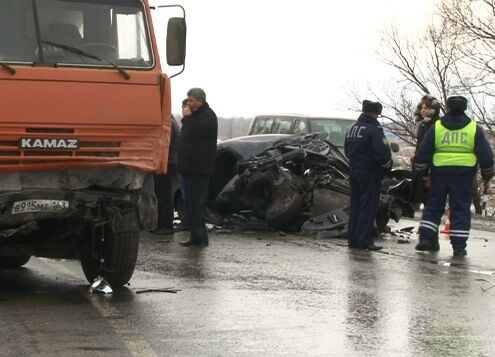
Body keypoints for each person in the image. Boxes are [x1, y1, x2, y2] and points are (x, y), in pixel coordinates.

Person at [414, 96, 494, 256]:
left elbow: (423, 152)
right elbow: (485, 154)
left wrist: (421, 172)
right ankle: (458, 246)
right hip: (463, 176)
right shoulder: (473, 128)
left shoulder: (437, 127)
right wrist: (488, 172)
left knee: (433, 207)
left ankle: (426, 239)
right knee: (460, 210)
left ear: (448, 108)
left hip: (439, 174)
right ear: (464, 108)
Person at [344, 100, 393, 251]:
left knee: (356, 206)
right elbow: (382, 154)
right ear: (376, 113)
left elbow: (347, 150)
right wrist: (387, 167)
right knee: (368, 207)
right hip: (370, 173)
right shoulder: (374, 129)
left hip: (354, 171)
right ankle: (364, 240)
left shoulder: (353, 128)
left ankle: (353, 239)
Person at [177, 88, 218, 247]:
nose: (188, 103)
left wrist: (187, 118)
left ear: (200, 101)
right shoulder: (196, 116)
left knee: (196, 203)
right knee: (191, 204)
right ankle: (197, 235)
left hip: (199, 168)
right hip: (189, 167)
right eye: (187, 100)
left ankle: (199, 236)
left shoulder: (208, 116)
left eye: (191, 100)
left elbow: (195, 132)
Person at [410, 94, 441, 205]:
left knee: (429, 198)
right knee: (422, 196)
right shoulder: (423, 124)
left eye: (426, 108)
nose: (423, 111)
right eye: (422, 108)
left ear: (433, 110)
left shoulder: (436, 125)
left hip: (430, 166)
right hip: (421, 164)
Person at [153, 114, 180, 235]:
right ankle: (162, 224)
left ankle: (166, 225)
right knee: (162, 194)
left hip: (166, 162)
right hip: (168, 161)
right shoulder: (172, 122)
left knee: (164, 195)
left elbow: (164, 143)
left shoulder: (169, 124)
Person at [174, 99, 191, 232]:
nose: (183, 110)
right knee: (186, 195)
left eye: (184, 108)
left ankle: (187, 222)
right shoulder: (183, 124)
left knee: (188, 196)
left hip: (187, 166)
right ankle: (186, 221)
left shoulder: (190, 123)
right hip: (183, 164)